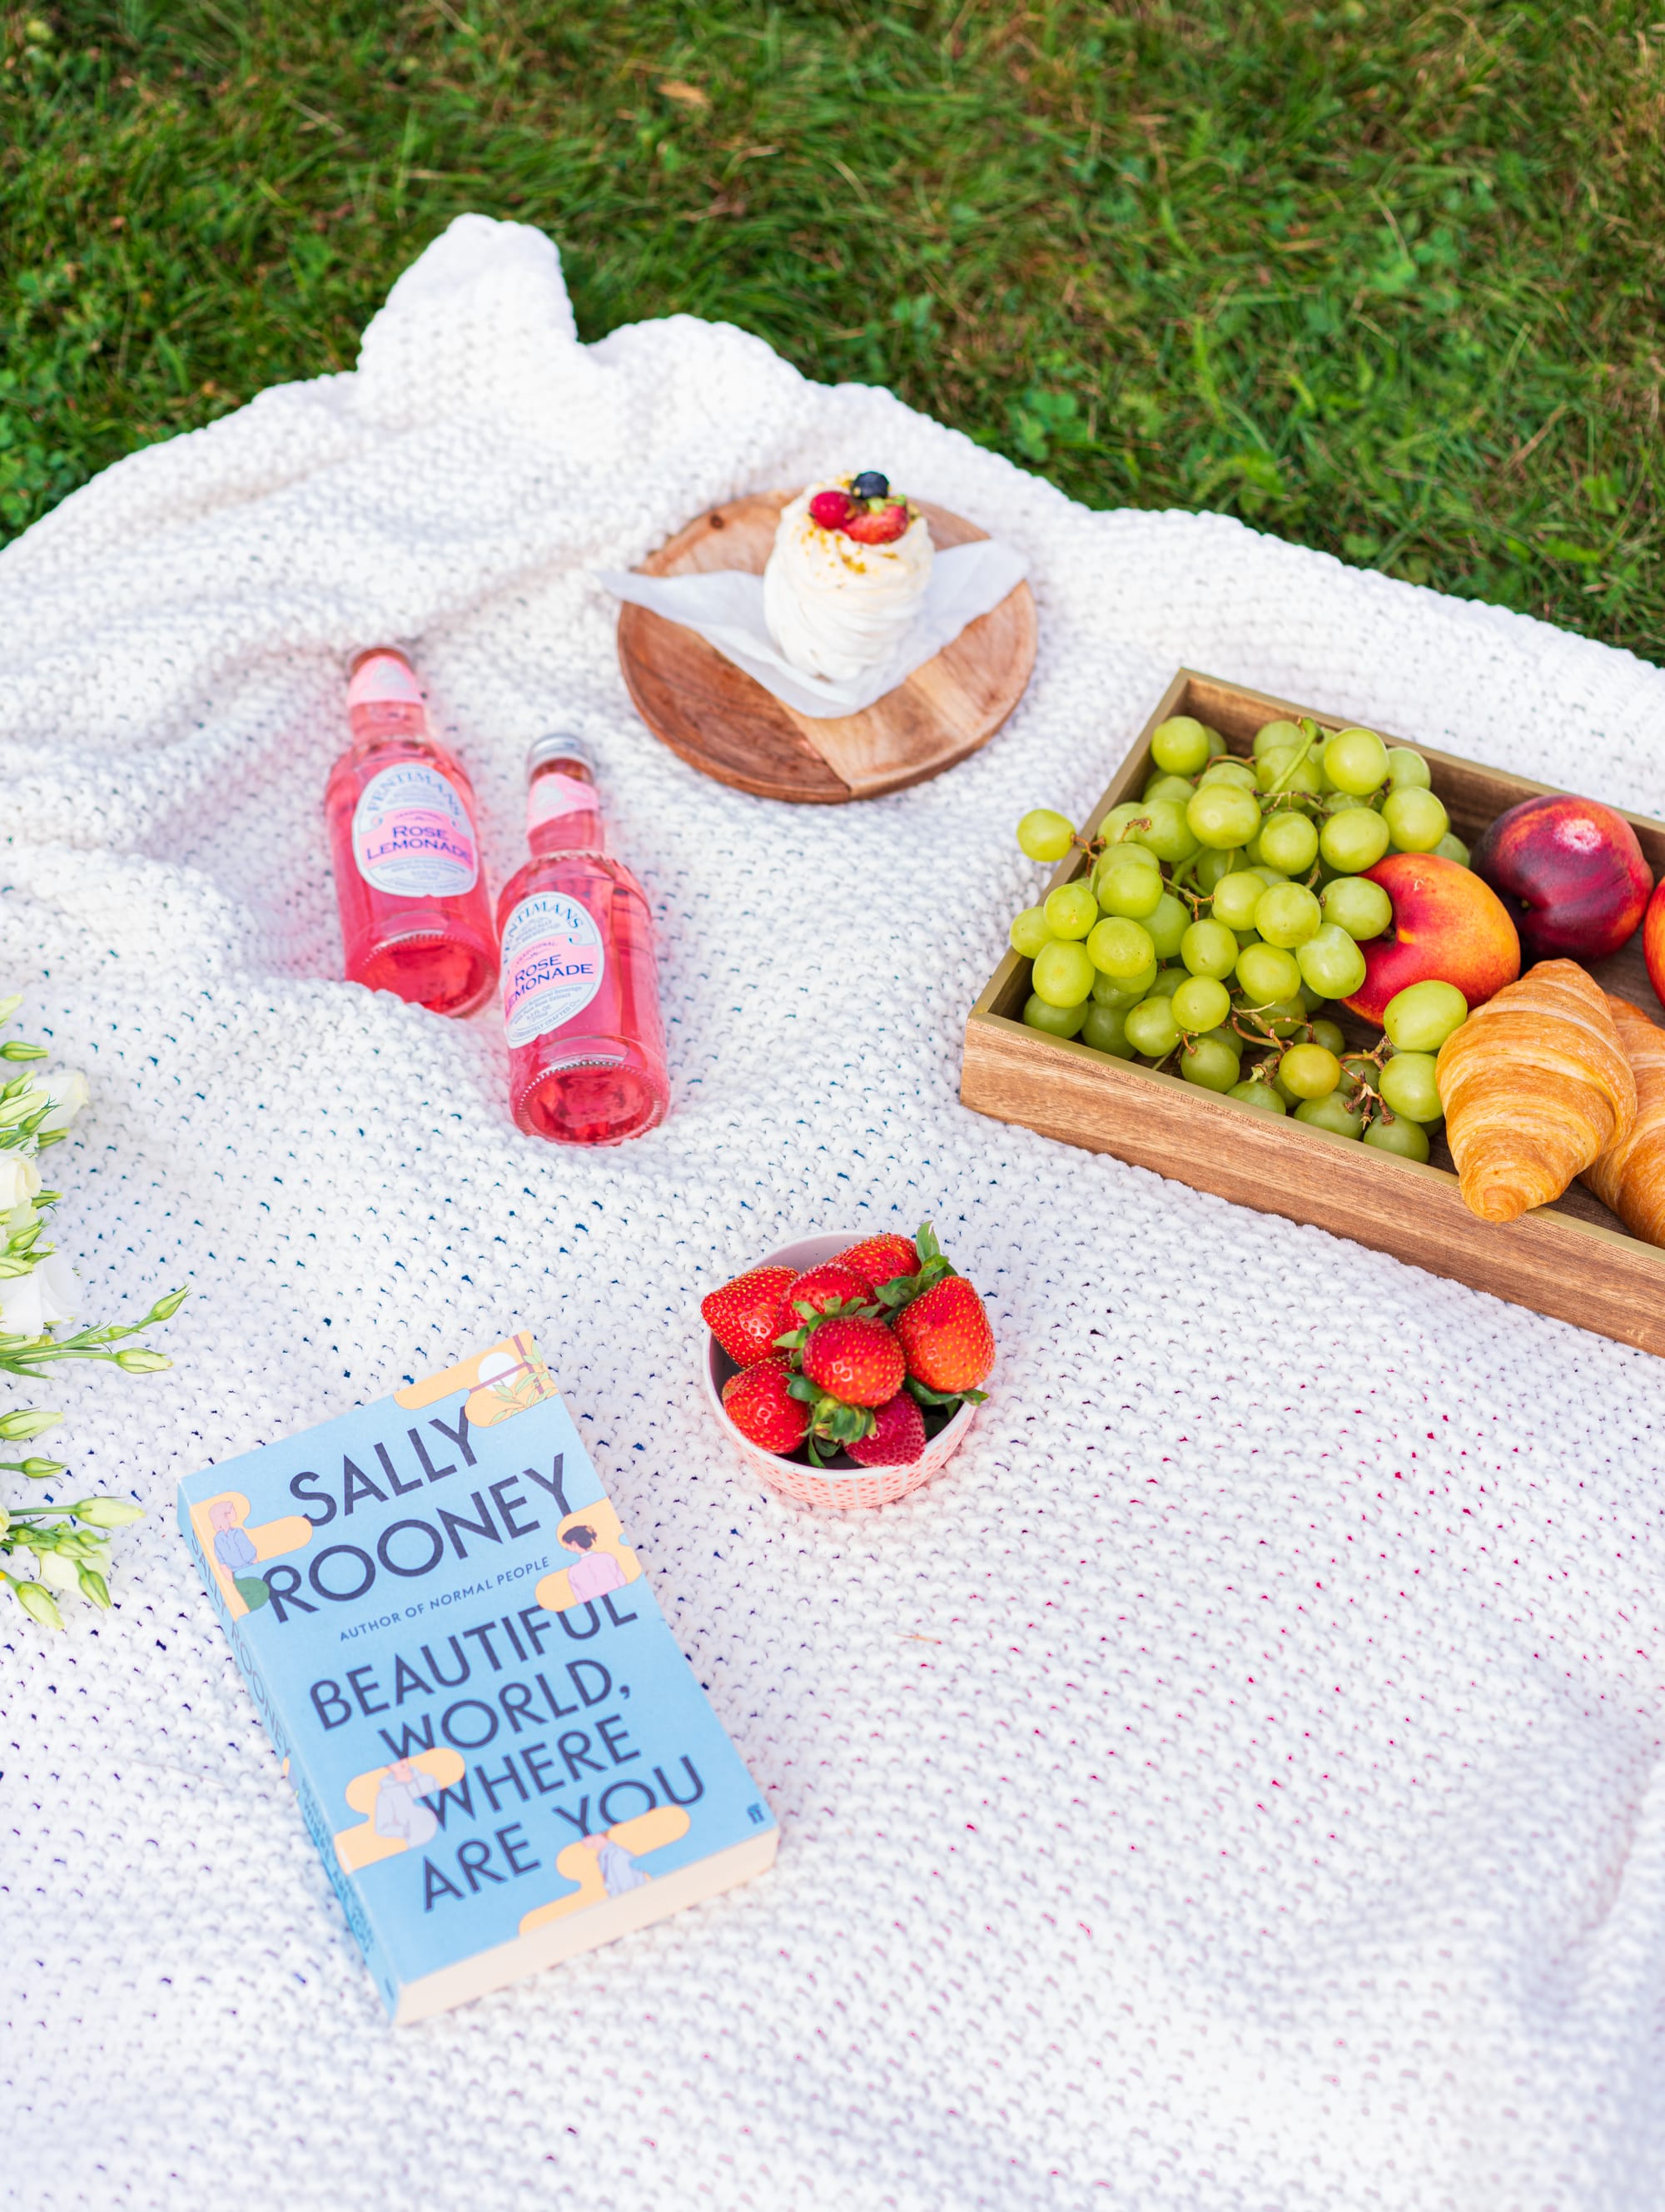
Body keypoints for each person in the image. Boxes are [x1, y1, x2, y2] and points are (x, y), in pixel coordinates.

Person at [208, 1497, 269, 1610]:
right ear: (225, 1516)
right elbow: (251, 1556)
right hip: (250, 1572)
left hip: (236, 1577)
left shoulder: (217, 1539)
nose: (235, 1512)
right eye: (233, 1510)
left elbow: (222, 1565)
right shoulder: (237, 1533)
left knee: (250, 1602)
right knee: (262, 1599)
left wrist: (233, 1580)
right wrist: (259, 1572)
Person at [374, 1757, 440, 1848]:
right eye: (393, 1761)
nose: (400, 1762)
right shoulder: (386, 1794)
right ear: (388, 1767)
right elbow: (382, 1828)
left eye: (401, 1757)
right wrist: (407, 1831)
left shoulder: (428, 1780)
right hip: (418, 1843)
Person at [561, 1522, 625, 1604]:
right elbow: (622, 1581)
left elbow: (580, 1599)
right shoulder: (607, 1557)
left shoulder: (572, 1571)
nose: (566, 1548)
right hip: (621, 1601)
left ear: (574, 1544)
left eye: (567, 1545)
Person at [580, 1830, 647, 1896]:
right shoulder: (605, 1857)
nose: (581, 1840)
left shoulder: (617, 1856)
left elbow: (629, 1894)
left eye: (583, 1833)